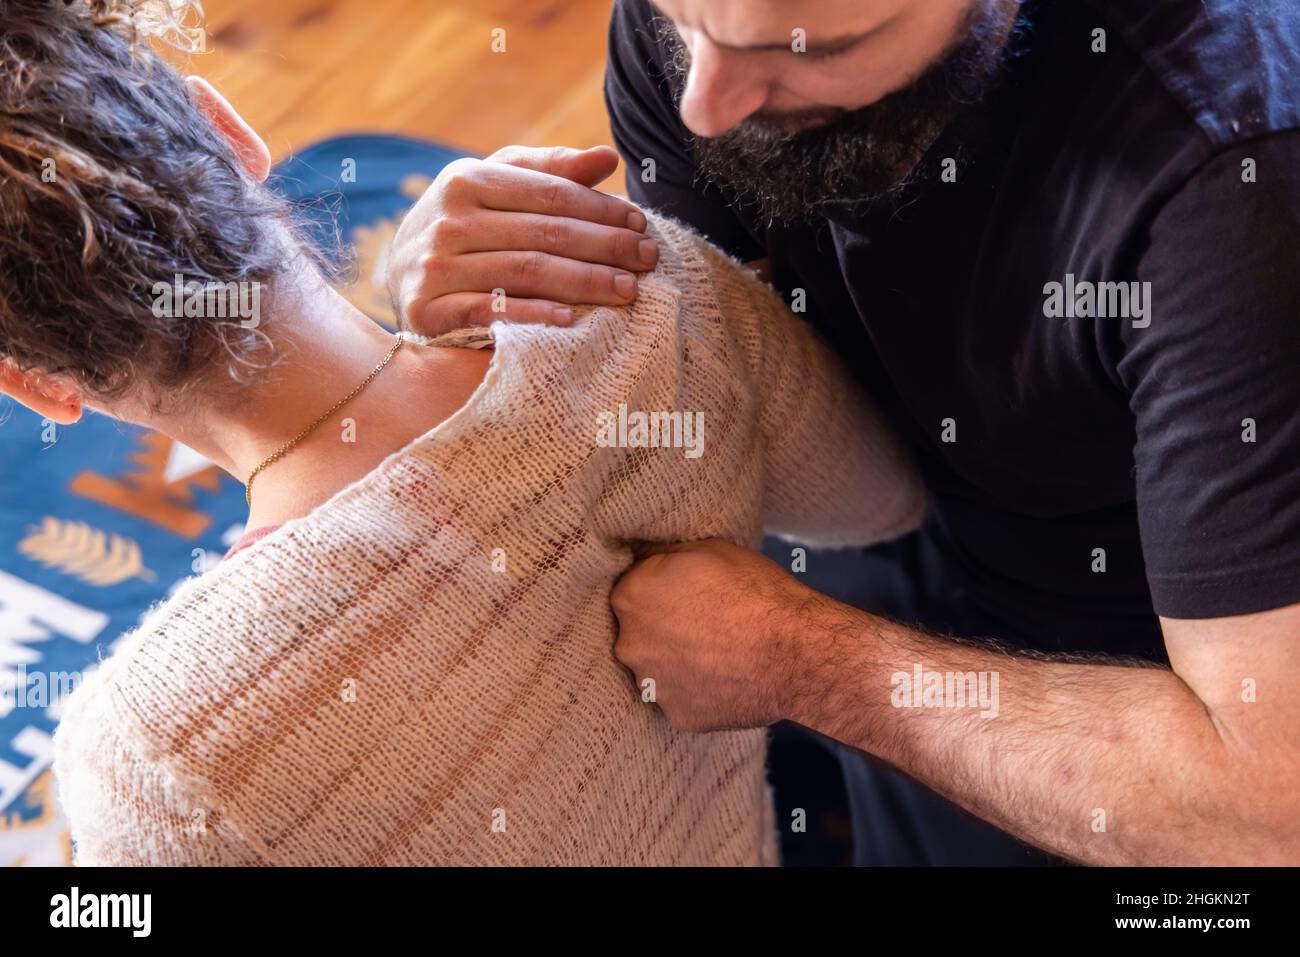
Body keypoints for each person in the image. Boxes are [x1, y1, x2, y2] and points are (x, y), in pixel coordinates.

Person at [2, 0, 923, 864]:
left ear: (33, 386)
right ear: (232, 135)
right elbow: (881, 499)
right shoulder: (641, 289)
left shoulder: (159, 755)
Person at [386, 0, 1300, 864]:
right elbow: (732, 375)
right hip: (885, 496)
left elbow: (1269, 811)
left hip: (1140, 651)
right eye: (681, 19)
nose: (704, 105)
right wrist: (480, 302)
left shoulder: (1235, 185)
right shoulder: (720, 41)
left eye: (807, 49)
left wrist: (804, 661)